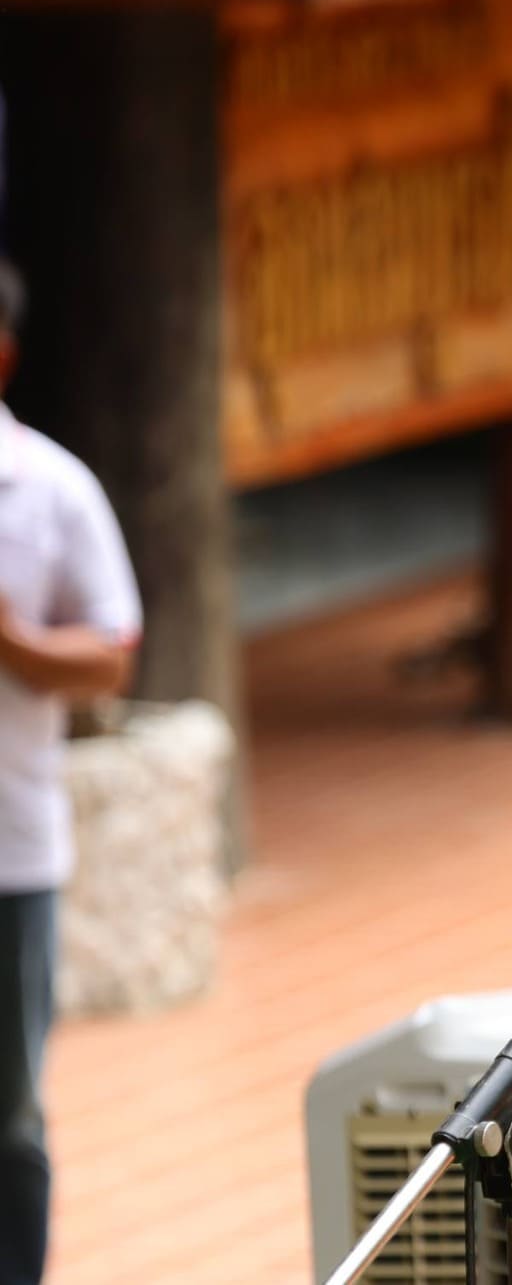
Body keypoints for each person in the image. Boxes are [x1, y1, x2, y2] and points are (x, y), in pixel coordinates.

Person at [0, 258, 142, 1285]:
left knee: (8, 1111)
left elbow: (111, 654)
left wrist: (14, 643)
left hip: (10, 857)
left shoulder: (51, 490)